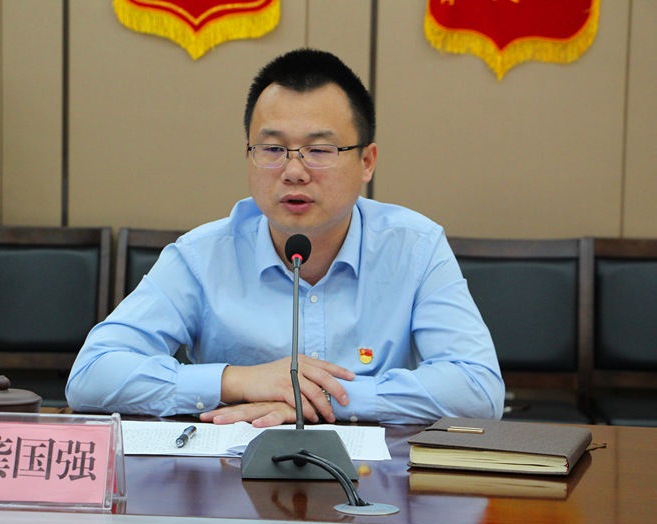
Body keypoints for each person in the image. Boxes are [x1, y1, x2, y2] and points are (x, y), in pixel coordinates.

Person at [66, 48, 504, 427]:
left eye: (320, 150)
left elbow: (479, 390)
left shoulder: (415, 248)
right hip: (232, 481)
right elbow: (91, 375)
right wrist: (238, 381)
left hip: (372, 484)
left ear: (367, 162)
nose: (293, 171)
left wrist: (321, 397)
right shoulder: (202, 256)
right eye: (273, 149)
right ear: (249, 155)